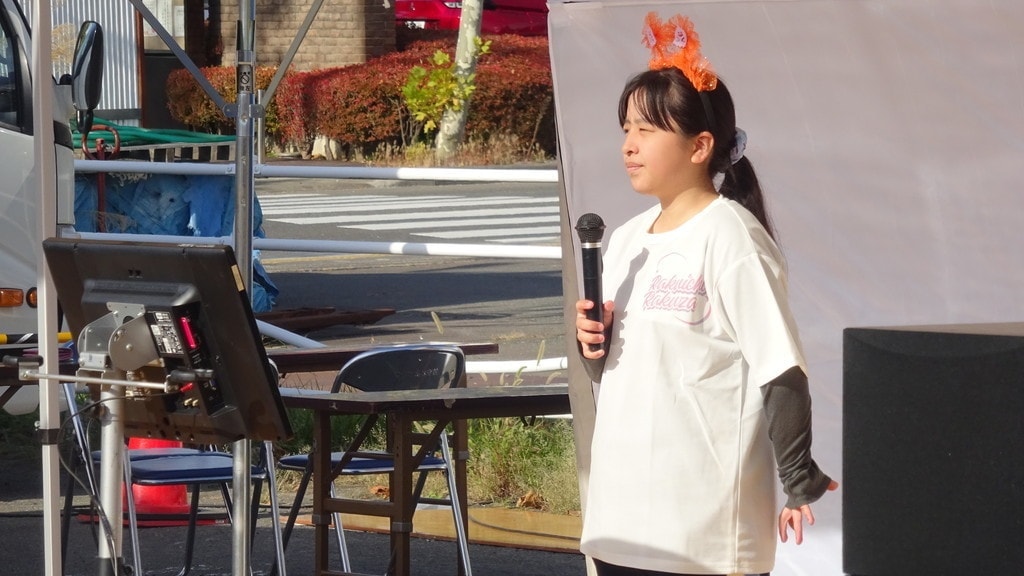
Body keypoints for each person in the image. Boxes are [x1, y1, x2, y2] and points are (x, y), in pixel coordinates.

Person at [574, 13, 837, 576]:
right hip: (620, 525)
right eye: (626, 129)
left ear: (699, 146)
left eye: (647, 130)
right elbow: (616, 374)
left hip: (704, 535)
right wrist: (592, 345)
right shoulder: (624, 241)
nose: (629, 146)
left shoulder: (732, 237)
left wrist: (798, 479)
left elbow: (781, 370)